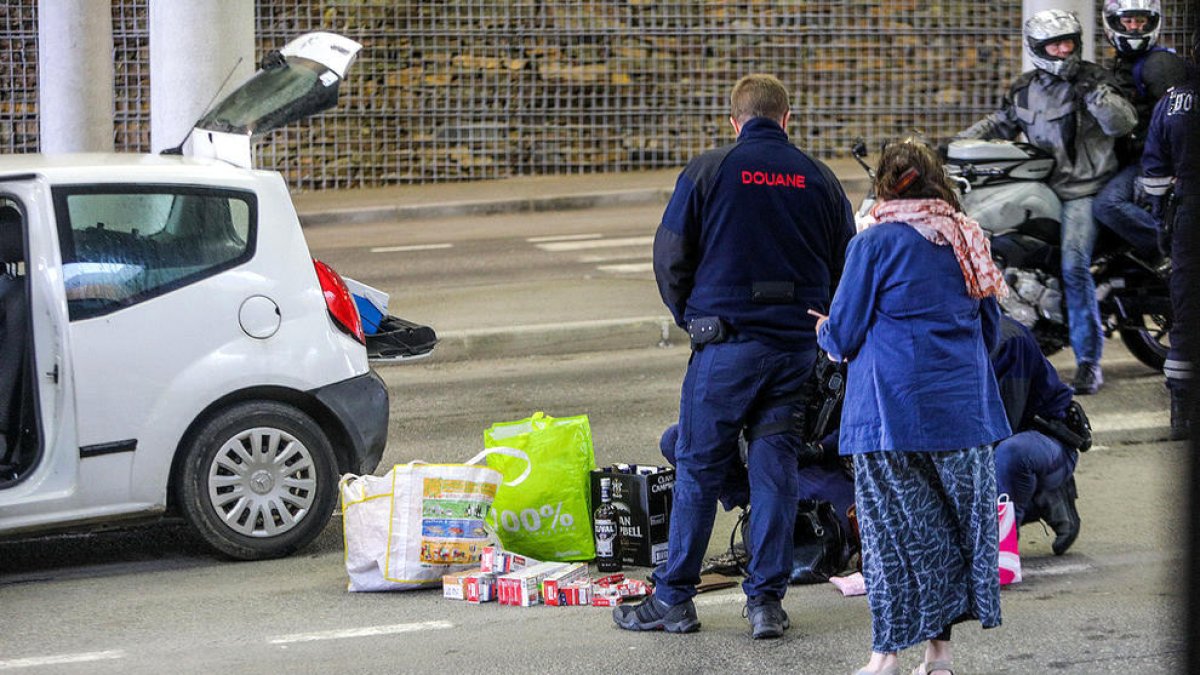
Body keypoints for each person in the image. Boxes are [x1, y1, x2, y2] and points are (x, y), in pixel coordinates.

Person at [613, 73, 854, 639]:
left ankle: (673, 599)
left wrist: (692, 319)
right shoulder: (819, 179)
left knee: (698, 466)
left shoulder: (708, 170)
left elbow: (670, 257)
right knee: (775, 471)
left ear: (734, 119)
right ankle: (766, 604)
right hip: (795, 350)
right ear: (787, 119)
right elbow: (847, 266)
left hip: (726, 346)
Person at [812, 140, 1010, 675]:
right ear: (936, 180)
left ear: (881, 183)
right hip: (964, 415)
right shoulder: (967, 237)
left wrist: (822, 329)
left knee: (892, 538)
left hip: (890, 414)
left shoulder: (873, 244)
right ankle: (939, 656)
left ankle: (885, 658)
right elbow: (991, 329)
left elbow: (845, 334)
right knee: (948, 532)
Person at [957, 9, 1138, 395]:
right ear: (1037, 48)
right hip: (1045, 186)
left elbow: (1122, 124)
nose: (1061, 51)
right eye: (1053, 44)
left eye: (1068, 42)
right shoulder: (1026, 88)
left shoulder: (1094, 80)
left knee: (1073, 266)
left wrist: (1096, 95)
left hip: (1084, 191)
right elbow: (999, 123)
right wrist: (954, 147)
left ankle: (1089, 362)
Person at [1093, 0, 1188, 263]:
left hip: (1157, 163)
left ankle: (1175, 252)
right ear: (1113, 23)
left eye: (1141, 21)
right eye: (1128, 21)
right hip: (1139, 158)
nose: (1134, 28)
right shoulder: (1126, 62)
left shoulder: (1160, 64)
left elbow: (1181, 118)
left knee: (1107, 205)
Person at [1140, 32, 1200, 440]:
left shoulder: (1172, 102)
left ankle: (1181, 412)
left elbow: (1155, 175)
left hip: (1188, 217)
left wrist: (1164, 221)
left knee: (1188, 314)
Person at [992, 316, 1090, 555]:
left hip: (1045, 440)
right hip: (1008, 442)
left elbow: (1003, 426)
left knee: (1008, 454)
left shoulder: (1007, 340)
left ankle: (1000, 551)